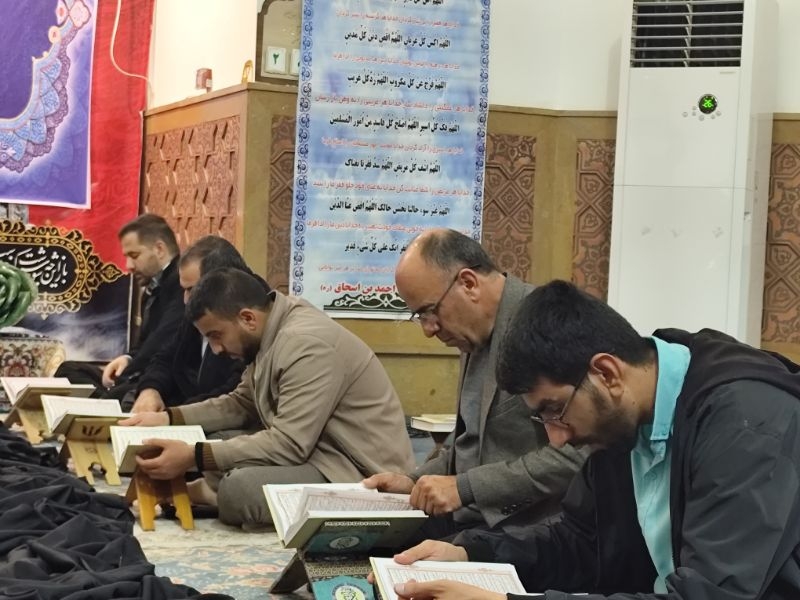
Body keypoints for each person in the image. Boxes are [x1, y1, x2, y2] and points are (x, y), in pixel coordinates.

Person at [387, 280, 800, 600]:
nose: (555, 438)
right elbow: (582, 541)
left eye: (554, 410)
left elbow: (711, 595)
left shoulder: (747, 421)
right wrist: (470, 553)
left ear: (606, 373)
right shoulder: (627, 417)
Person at [121, 267, 416, 528]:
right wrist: (168, 418)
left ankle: (209, 494)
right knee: (218, 437)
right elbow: (240, 404)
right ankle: (210, 492)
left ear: (247, 318)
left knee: (239, 489)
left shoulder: (305, 344)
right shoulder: (271, 331)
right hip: (318, 455)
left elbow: (288, 445)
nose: (216, 349)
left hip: (359, 474)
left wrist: (193, 456)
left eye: (216, 335)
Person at [364, 229, 586, 541]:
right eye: (419, 317)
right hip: (471, 518)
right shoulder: (474, 331)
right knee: (358, 540)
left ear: (468, 283)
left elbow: (578, 455)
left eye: (429, 311)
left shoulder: (549, 325)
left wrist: (467, 488)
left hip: (533, 531)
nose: (428, 330)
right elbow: (471, 444)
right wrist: (414, 481)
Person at [55, 214, 184, 399]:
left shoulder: (181, 283)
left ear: (159, 249)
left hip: (160, 380)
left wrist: (128, 373)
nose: (128, 266)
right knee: (68, 371)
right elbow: (144, 344)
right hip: (138, 373)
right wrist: (127, 358)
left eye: (134, 256)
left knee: (115, 395)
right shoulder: (153, 287)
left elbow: (161, 343)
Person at [130, 236, 263, 413]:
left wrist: (173, 415)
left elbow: (235, 397)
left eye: (191, 290)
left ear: (223, 282)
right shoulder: (198, 310)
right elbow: (166, 357)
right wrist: (150, 390)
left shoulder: (250, 320)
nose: (186, 300)